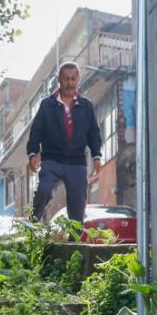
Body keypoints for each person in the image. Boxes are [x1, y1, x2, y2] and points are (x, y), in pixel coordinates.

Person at [27, 61, 103, 225]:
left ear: (78, 79)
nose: (69, 83)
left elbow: (93, 132)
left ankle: (74, 242)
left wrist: (97, 156)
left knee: (78, 206)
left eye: (72, 79)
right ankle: (32, 222)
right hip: (52, 160)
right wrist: (32, 153)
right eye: (66, 79)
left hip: (76, 163)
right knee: (44, 190)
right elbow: (36, 131)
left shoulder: (86, 106)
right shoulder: (47, 105)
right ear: (59, 80)